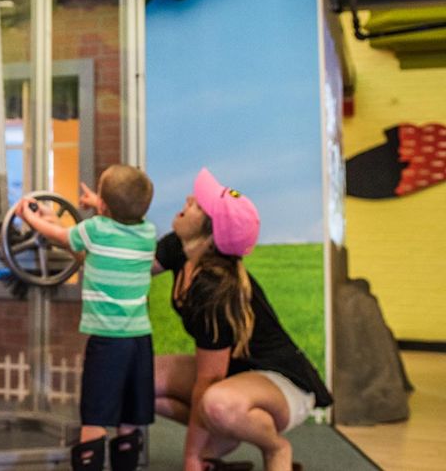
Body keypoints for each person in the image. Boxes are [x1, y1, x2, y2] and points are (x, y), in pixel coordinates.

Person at [148, 168, 332, 471]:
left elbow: (210, 380)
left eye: (198, 205)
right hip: (233, 374)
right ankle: (222, 437)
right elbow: (123, 270)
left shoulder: (214, 291)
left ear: (209, 234)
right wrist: (67, 237)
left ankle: (275, 449)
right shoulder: (180, 247)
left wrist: (192, 459)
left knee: (217, 403)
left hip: (278, 381)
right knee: (133, 378)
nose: (189, 198)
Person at [18, 164, 157, 471]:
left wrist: (29, 217)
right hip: (139, 342)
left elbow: (60, 235)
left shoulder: (95, 231)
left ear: (104, 206)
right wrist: (100, 203)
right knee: (128, 420)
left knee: (94, 419)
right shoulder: (147, 233)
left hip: (108, 344)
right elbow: (125, 215)